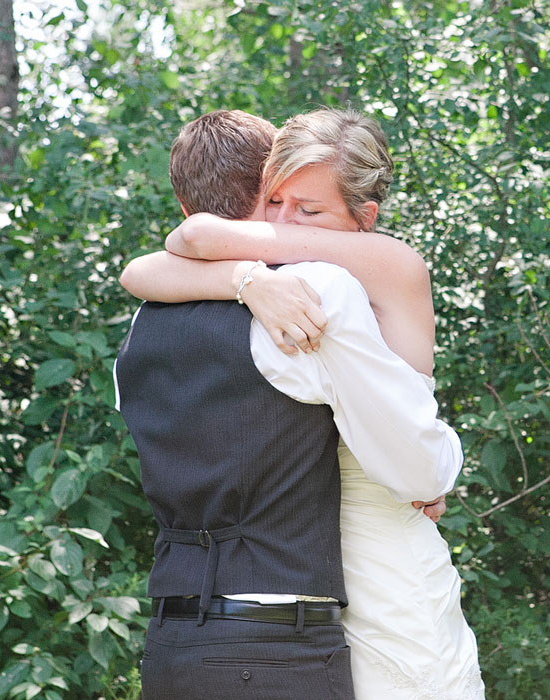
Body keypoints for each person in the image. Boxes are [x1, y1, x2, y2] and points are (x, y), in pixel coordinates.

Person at [121, 108, 486, 699]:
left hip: (371, 585)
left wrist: (431, 459)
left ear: (362, 218)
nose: (282, 231)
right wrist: (247, 280)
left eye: (308, 213)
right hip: (302, 605)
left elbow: (177, 246)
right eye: (274, 203)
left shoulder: (362, 275)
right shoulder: (295, 287)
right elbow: (161, 258)